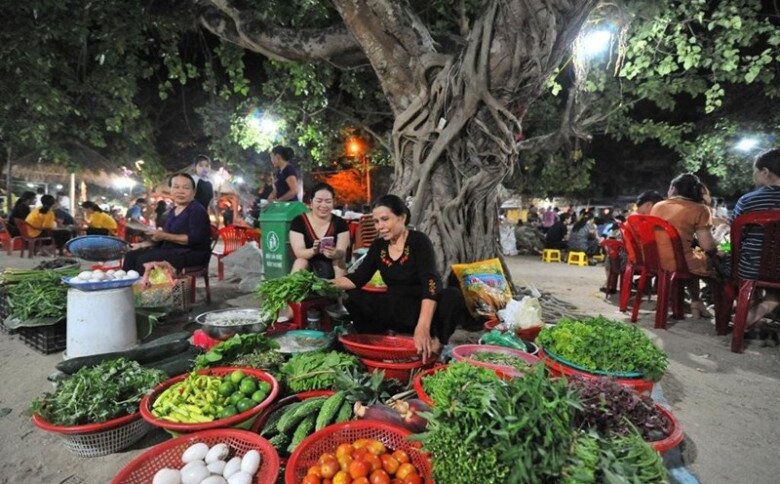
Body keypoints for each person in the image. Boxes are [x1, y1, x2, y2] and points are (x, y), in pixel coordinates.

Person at [330, 195, 471, 360]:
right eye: (376, 222)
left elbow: (431, 282)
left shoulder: (419, 241)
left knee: (452, 296)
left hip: (422, 310)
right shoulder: (378, 246)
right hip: (395, 309)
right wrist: (322, 284)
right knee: (354, 295)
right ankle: (378, 343)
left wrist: (423, 327)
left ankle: (435, 346)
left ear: (402, 217)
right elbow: (357, 278)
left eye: (385, 219)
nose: (379, 227)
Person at [650, 173, 715, 319]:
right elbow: (708, 245)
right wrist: (726, 248)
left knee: (692, 256)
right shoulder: (700, 209)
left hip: (657, 260)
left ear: (673, 188)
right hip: (680, 262)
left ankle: (696, 302)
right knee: (713, 261)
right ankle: (707, 305)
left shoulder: (658, 206)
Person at [122, 173, 211, 276]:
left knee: (144, 260)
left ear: (194, 192)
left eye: (186, 188)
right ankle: (128, 289)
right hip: (172, 251)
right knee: (131, 255)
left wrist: (163, 235)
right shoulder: (173, 211)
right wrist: (142, 244)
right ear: (171, 190)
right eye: (176, 187)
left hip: (192, 254)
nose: (180, 191)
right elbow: (164, 237)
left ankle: (148, 290)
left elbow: (195, 239)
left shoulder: (197, 210)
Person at [729, 147, 780, 328]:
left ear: (765, 172)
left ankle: (747, 311)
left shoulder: (747, 200)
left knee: (729, 262)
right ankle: (770, 302)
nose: (754, 176)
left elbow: (735, 235)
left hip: (750, 269)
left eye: (755, 172)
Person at [290, 183, 350, 279]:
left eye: (328, 201)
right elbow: (299, 252)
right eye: (319, 201)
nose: (323, 205)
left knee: (339, 261)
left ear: (334, 202)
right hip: (308, 266)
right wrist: (313, 251)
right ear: (311, 202)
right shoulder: (299, 221)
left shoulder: (340, 223)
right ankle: (294, 291)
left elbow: (342, 251)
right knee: (300, 261)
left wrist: (335, 253)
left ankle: (341, 290)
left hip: (332, 265)